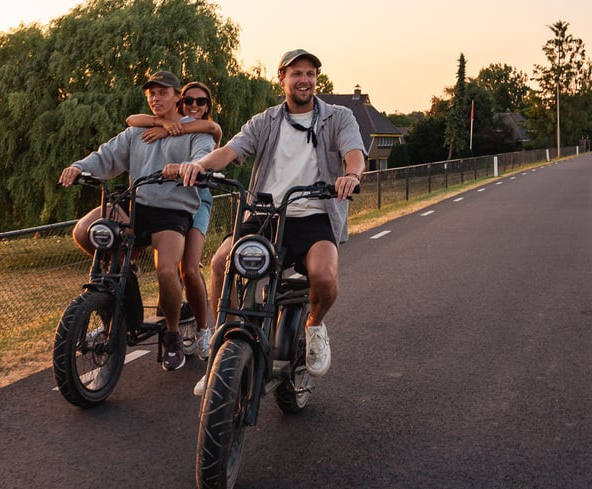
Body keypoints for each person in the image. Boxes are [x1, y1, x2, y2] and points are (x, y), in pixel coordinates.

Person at [172, 49, 366, 393]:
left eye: (310, 74)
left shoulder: (339, 117)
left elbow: (354, 152)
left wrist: (350, 174)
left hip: (314, 214)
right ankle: (221, 349)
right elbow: (231, 150)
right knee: (220, 263)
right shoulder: (265, 121)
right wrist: (201, 166)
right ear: (282, 79)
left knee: (324, 275)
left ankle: (315, 327)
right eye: (297, 74)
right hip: (264, 215)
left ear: (316, 79)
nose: (304, 80)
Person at [58, 70, 215, 371]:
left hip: (172, 210)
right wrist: (78, 167)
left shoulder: (197, 132)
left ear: (177, 97)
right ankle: (121, 280)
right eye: (151, 93)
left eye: (163, 92)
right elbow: (105, 156)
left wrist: (186, 167)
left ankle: (171, 333)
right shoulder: (136, 132)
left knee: (169, 271)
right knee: (83, 231)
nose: (156, 98)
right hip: (137, 204)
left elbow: (204, 156)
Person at [125, 81, 222, 360]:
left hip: (197, 201)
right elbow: (132, 120)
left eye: (201, 102)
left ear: (208, 107)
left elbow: (211, 129)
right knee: (152, 254)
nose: (194, 106)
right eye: (188, 101)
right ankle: (121, 312)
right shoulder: (166, 127)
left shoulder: (208, 131)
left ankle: (204, 330)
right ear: (180, 102)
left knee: (189, 269)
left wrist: (170, 128)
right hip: (173, 200)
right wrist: (164, 124)